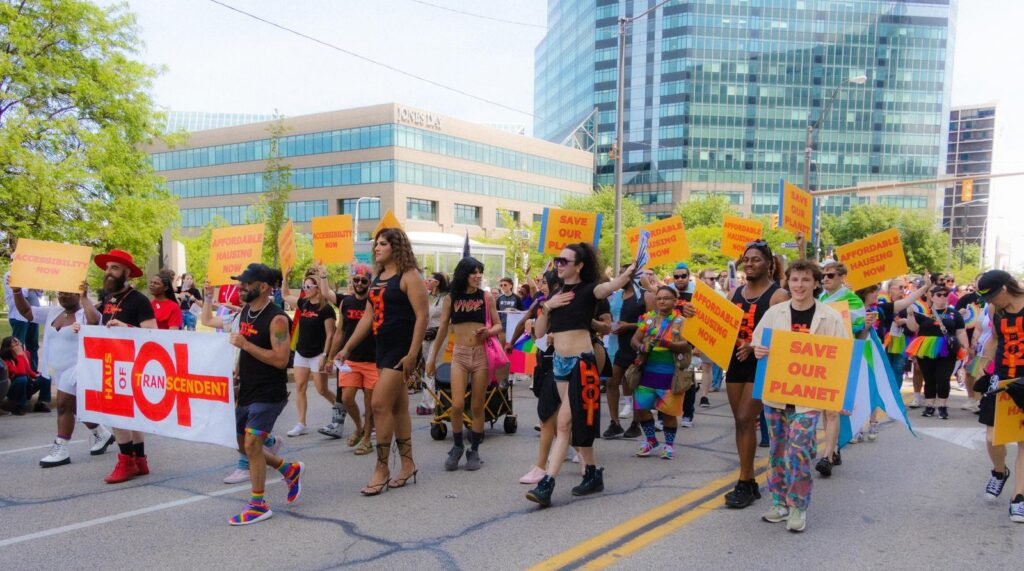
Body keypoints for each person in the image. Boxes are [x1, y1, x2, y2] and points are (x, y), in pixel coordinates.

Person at [525, 243, 636, 508]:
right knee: (573, 423)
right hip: (560, 364)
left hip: (582, 364)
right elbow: (539, 333)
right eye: (558, 260)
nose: (559, 264)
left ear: (579, 265)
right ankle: (593, 473)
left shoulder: (589, 291)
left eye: (565, 260)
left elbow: (609, 287)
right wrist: (547, 307)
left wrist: (628, 272)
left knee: (563, 424)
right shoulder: (556, 293)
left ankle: (547, 484)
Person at [202, 263, 304, 525]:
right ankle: (288, 469)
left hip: (269, 393)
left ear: (264, 287)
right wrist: (207, 299)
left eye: (246, 283)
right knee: (242, 444)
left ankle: (258, 504)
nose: (241, 286)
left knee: (251, 444)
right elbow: (207, 321)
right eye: (240, 282)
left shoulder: (277, 318)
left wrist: (246, 344)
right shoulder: (245, 311)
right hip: (246, 390)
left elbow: (281, 360)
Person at [751, 259, 849, 532]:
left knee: (799, 453)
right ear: (788, 282)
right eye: (795, 279)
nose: (799, 285)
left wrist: (842, 398)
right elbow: (758, 342)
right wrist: (759, 349)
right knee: (778, 452)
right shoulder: (775, 313)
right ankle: (779, 502)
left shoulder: (829, 317)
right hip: (775, 396)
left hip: (808, 399)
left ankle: (798, 506)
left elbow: (841, 359)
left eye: (806, 280)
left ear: (816, 283)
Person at [336, 228, 428, 495]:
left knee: (378, 404)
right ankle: (408, 464)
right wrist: (347, 348)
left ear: (396, 247)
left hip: (401, 349)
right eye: (376, 243)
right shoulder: (378, 278)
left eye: (383, 244)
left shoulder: (409, 276)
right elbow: (368, 317)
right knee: (398, 407)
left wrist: (413, 353)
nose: (377, 248)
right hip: (382, 347)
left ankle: (382, 468)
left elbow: (421, 317)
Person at [12, 281, 116, 466]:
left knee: (63, 405)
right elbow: (27, 312)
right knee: (75, 407)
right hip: (58, 369)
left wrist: (85, 298)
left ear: (77, 294)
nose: (63, 296)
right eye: (60, 293)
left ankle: (61, 448)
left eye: (68, 293)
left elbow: (94, 322)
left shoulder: (86, 313)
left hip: (78, 367)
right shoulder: (53, 312)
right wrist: (18, 292)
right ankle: (102, 433)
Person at [724, 241, 789, 508]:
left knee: (745, 416)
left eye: (756, 260)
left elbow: (786, 337)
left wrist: (754, 345)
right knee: (740, 423)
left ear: (768, 264)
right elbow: (723, 325)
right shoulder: (735, 293)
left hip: (763, 362)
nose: (749, 264)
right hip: (736, 361)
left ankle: (745, 481)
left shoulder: (778, 296)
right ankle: (748, 480)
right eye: (746, 260)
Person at [427, 257, 503, 471]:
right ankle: (458, 445)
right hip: (458, 355)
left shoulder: (486, 297)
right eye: (473, 272)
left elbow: (498, 325)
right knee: (457, 404)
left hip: (481, 355)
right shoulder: (451, 298)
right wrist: (432, 359)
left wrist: (488, 331)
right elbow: (442, 329)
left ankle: (475, 450)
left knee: (478, 406)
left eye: (480, 272)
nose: (478, 276)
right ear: (464, 274)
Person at [93, 249, 158, 485]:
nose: (109, 272)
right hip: (112, 362)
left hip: (132, 364)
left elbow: (154, 334)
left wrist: (126, 328)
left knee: (118, 415)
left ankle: (126, 461)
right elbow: (99, 326)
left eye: (115, 268)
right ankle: (139, 460)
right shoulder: (107, 300)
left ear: (127, 273)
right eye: (108, 267)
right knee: (128, 416)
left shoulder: (138, 300)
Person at [973, 270, 1024, 522]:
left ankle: (1019, 498)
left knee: (1023, 440)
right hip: (1001, 377)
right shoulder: (996, 310)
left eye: (992, 296)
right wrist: (982, 362)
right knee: (993, 437)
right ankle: (999, 471)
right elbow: (994, 338)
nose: (990, 302)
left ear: (1004, 288)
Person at [858, 275, 931, 440]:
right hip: (854, 352)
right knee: (857, 390)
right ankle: (857, 426)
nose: (877, 295)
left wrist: (924, 288)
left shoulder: (880, 310)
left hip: (874, 352)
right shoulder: (850, 309)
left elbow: (905, 302)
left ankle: (873, 422)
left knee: (872, 387)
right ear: (865, 293)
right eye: (874, 292)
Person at [814, 261, 866, 476]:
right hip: (821, 355)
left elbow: (858, 325)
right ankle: (833, 449)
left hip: (841, 356)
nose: (825, 279)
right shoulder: (822, 298)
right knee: (825, 410)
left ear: (842, 277)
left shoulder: (852, 299)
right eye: (823, 275)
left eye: (831, 275)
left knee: (833, 409)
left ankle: (826, 456)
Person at [629, 286, 690, 459]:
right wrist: (641, 346)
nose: (662, 301)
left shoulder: (681, 321)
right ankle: (651, 440)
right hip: (646, 371)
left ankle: (669, 445)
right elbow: (634, 339)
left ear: (675, 301)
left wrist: (667, 344)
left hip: (670, 374)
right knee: (641, 409)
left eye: (667, 298)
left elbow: (687, 345)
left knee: (669, 412)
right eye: (659, 298)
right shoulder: (648, 319)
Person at [323, 264, 376, 453]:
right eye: (356, 280)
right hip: (351, 359)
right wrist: (330, 358)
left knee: (370, 404)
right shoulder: (346, 302)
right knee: (347, 398)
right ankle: (360, 428)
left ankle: (368, 439)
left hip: (373, 360)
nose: (359, 283)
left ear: (370, 282)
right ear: (352, 281)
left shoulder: (374, 302)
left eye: (364, 280)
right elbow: (340, 332)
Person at [281, 272, 337, 437]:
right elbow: (284, 295)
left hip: (318, 353)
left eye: (308, 286)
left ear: (317, 288)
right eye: (303, 286)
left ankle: (341, 409)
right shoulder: (303, 303)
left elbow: (330, 334)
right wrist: (285, 277)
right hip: (301, 352)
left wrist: (325, 355)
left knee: (321, 389)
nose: (304, 289)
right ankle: (301, 423)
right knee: (300, 387)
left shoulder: (326, 309)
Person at [603, 268, 654, 439]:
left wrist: (629, 326)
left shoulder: (644, 296)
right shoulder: (618, 296)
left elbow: (653, 324)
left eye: (623, 275)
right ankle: (615, 423)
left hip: (638, 347)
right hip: (621, 347)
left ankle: (636, 423)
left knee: (635, 385)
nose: (620, 277)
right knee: (611, 382)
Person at [905, 285, 969, 420]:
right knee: (929, 378)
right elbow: (913, 328)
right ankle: (929, 406)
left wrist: (965, 348)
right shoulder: (924, 312)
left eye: (945, 295)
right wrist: (910, 315)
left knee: (943, 378)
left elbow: (961, 331)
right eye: (939, 295)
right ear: (932, 297)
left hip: (948, 349)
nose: (942, 297)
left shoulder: (954, 313)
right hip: (926, 349)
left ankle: (942, 406)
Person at [670, 263, 700, 427]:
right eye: (676, 276)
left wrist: (697, 347)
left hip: (689, 343)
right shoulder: (668, 292)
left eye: (683, 276)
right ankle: (664, 415)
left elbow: (702, 321)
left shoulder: (696, 293)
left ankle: (688, 414)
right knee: (668, 378)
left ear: (689, 277)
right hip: (670, 341)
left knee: (688, 380)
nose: (680, 279)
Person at [418, 272, 449, 414]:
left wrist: (437, 330)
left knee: (432, 365)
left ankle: (429, 402)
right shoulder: (426, 297)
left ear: (437, 283)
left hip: (439, 335)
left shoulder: (445, 298)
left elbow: (448, 320)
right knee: (428, 366)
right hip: (426, 335)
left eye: (430, 280)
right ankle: (432, 399)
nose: (426, 281)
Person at [3, 271, 42, 371]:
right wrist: (32, 284)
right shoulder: (10, 275)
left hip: (33, 316)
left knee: (33, 345)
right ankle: (20, 372)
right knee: (18, 347)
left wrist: (37, 283)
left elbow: (40, 292)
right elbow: (21, 293)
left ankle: (33, 371)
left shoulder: (32, 274)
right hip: (19, 316)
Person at [0, 336, 49, 414]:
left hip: (27, 385)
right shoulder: (7, 361)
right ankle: (20, 406)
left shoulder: (26, 354)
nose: (18, 344)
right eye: (15, 343)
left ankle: (41, 403)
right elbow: (21, 372)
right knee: (22, 379)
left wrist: (39, 375)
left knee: (46, 377)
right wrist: (19, 356)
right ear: (9, 348)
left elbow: (28, 371)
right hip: (14, 390)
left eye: (18, 342)